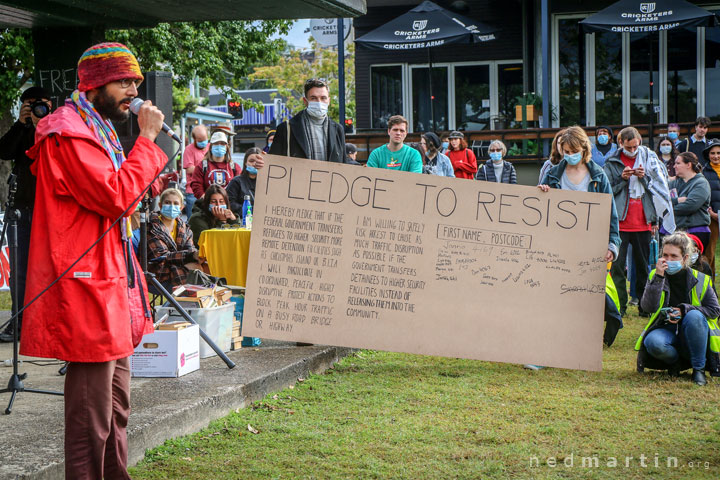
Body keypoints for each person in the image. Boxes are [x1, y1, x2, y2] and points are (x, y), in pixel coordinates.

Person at [20, 42, 167, 479]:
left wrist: (150, 167)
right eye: (124, 81)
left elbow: (121, 187)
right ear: (95, 83)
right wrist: (146, 141)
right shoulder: (66, 131)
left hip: (109, 277)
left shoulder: (96, 128)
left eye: (136, 82)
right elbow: (115, 196)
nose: (133, 90)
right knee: (92, 413)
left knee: (117, 403)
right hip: (85, 281)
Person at [0, 86, 51, 342]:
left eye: (41, 104)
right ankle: (18, 323)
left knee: (50, 269)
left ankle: (47, 323)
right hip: (22, 206)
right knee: (19, 269)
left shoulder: (57, 127)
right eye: (31, 105)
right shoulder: (22, 130)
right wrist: (22, 124)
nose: (37, 110)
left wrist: (44, 122)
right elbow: (4, 151)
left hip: (50, 209)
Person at [636, 232, 720, 386]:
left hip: (695, 330)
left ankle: (698, 369)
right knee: (654, 343)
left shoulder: (700, 278)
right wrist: (659, 278)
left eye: (674, 256)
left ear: (685, 258)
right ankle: (676, 363)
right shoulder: (655, 275)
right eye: (665, 255)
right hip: (666, 327)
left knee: (694, 316)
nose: (668, 260)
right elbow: (648, 307)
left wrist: (684, 309)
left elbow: (714, 310)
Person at [604, 127, 662, 316]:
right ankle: (619, 307)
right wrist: (623, 179)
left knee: (644, 266)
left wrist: (643, 178)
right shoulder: (612, 162)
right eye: (629, 147)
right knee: (618, 267)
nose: (633, 150)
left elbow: (657, 189)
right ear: (621, 144)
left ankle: (645, 307)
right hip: (620, 223)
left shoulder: (648, 158)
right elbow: (606, 192)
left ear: (640, 142)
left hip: (643, 221)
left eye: (636, 146)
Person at [539, 126, 620, 263]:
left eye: (574, 151)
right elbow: (541, 214)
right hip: (558, 246)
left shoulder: (599, 175)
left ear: (584, 148)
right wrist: (540, 193)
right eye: (567, 152)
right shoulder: (552, 175)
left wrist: (612, 245)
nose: (571, 155)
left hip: (591, 245)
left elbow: (611, 213)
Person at [269, 78, 345, 163]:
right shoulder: (286, 128)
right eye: (313, 98)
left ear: (329, 101)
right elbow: (273, 163)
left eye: (323, 98)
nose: (319, 102)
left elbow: (344, 161)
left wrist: (360, 168)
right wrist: (262, 162)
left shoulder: (338, 129)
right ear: (305, 101)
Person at [147, 188, 199, 291]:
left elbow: (189, 249)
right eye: (167, 202)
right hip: (158, 272)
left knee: (204, 268)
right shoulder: (151, 227)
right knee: (195, 273)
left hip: (179, 267)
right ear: (160, 205)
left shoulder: (184, 228)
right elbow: (161, 256)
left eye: (175, 203)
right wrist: (190, 256)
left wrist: (194, 256)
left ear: (181, 207)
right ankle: (184, 304)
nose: (171, 206)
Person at [667, 152, 711, 250]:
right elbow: (662, 201)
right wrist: (677, 200)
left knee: (693, 263)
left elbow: (690, 206)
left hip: (696, 231)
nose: (674, 166)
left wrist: (668, 210)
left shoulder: (701, 183)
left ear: (688, 165)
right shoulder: (673, 184)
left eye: (678, 163)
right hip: (675, 231)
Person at [189, 130, 241, 201]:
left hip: (229, 206)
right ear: (211, 146)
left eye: (222, 144)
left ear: (226, 147)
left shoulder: (234, 167)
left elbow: (239, 187)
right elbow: (196, 185)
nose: (219, 146)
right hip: (207, 206)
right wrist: (207, 200)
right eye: (216, 143)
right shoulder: (201, 166)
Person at [701, 139, 720, 276]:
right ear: (708, 155)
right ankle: (710, 285)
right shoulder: (704, 172)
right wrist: (712, 213)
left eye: (719, 153)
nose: (716, 156)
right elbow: (703, 195)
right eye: (712, 153)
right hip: (712, 217)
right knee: (710, 252)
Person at [227, 147, 265, 215]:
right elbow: (230, 203)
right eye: (251, 161)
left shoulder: (268, 183)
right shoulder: (236, 182)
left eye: (258, 161)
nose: (254, 164)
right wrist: (249, 210)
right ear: (245, 163)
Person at [182, 125, 208, 217]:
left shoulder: (211, 147)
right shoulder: (189, 149)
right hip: (193, 192)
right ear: (194, 139)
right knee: (193, 221)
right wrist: (207, 168)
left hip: (208, 190)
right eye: (200, 140)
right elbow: (189, 169)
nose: (203, 142)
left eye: (204, 139)